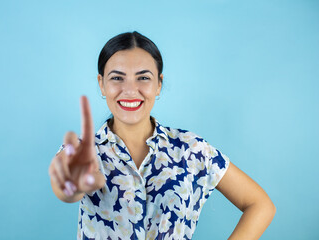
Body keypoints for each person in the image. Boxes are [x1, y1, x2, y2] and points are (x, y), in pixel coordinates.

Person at [48, 31, 276, 240]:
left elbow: (260, 204)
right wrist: (74, 182)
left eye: (143, 78)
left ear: (159, 85)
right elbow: (67, 185)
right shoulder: (81, 150)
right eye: (117, 78)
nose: (129, 90)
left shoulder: (192, 149)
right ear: (102, 84)